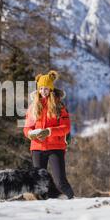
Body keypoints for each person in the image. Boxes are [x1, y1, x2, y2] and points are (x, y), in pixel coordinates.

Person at [23, 70, 75, 199]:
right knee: (40, 183)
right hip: (37, 148)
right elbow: (27, 127)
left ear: (51, 89)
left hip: (56, 147)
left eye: (46, 88)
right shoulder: (33, 107)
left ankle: (72, 200)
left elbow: (66, 127)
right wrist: (30, 134)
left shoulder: (59, 106)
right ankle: (47, 208)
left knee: (60, 182)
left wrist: (49, 131)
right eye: (41, 88)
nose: (43, 91)